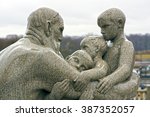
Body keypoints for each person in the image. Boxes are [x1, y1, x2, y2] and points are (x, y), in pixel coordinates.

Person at [0, 7, 82, 99]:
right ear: (48, 27)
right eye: (60, 30)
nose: (61, 37)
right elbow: (81, 86)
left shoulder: (4, 52)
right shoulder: (42, 55)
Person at [93, 8, 139, 99]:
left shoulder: (126, 44)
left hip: (112, 87)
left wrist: (110, 79)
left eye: (105, 26)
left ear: (120, 23)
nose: (102, 31)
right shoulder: (107, 45)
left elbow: (125, 68)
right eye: (101, 27)